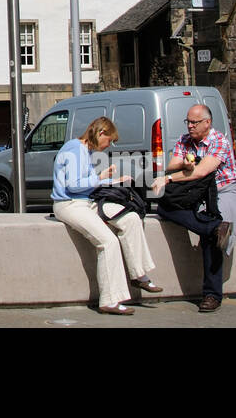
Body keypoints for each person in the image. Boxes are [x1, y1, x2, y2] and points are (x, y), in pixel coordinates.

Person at [52, 116, 162, 316]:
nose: (109, 145)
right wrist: (101, 178)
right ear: (100, 133)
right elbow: (74, 185)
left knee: (130, 218)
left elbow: (85, 183)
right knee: (108, 242)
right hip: (69, 204)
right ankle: (110, 300)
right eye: (109, 140)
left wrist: (110, 180)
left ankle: (138, 274)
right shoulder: (75, 149)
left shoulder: (84, 150)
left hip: (84, 202)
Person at [153, 103, 236, 313]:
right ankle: (211, 227)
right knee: (165, 207)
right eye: (188, 122)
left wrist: (168, 178)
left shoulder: (218, 141)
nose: (190, 126)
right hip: (194, 190)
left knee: (214, 241)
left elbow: (202, 171)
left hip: (221, 190)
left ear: (207, 123)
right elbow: (172, 163)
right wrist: (184, 163)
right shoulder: (185, 140)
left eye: (195, 122)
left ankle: (212, 295)